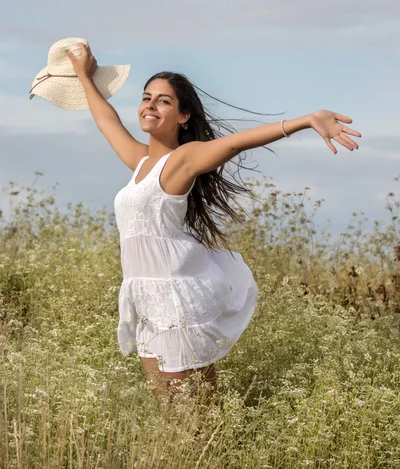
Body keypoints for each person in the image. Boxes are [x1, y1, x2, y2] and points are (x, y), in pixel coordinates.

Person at [66, 43, 362, 400]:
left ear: (183, 116)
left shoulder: (183, 159)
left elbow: (235, 144)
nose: (150, 106)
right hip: (144, 296)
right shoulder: (141, 163)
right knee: (175, 411)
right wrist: (84, 76)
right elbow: (105, 121)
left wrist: (304, 121)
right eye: (147, 97)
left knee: (189, 412)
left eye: (164, 101)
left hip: (173, 296)